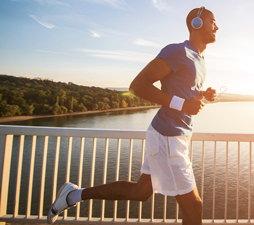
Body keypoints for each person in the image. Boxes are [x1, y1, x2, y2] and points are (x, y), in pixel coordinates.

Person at [47, 6, 219, 225]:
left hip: (175, 136)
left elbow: (182, 92)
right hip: (168, 137)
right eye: (212, 21)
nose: (217, 26)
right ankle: (73, 195)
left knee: (140, 192)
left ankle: (73, 195)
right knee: (194, 208)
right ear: (196, 23)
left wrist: (203, 94)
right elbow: (137, 86)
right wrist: (183, 104)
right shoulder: (177, 51)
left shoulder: (199, 59)